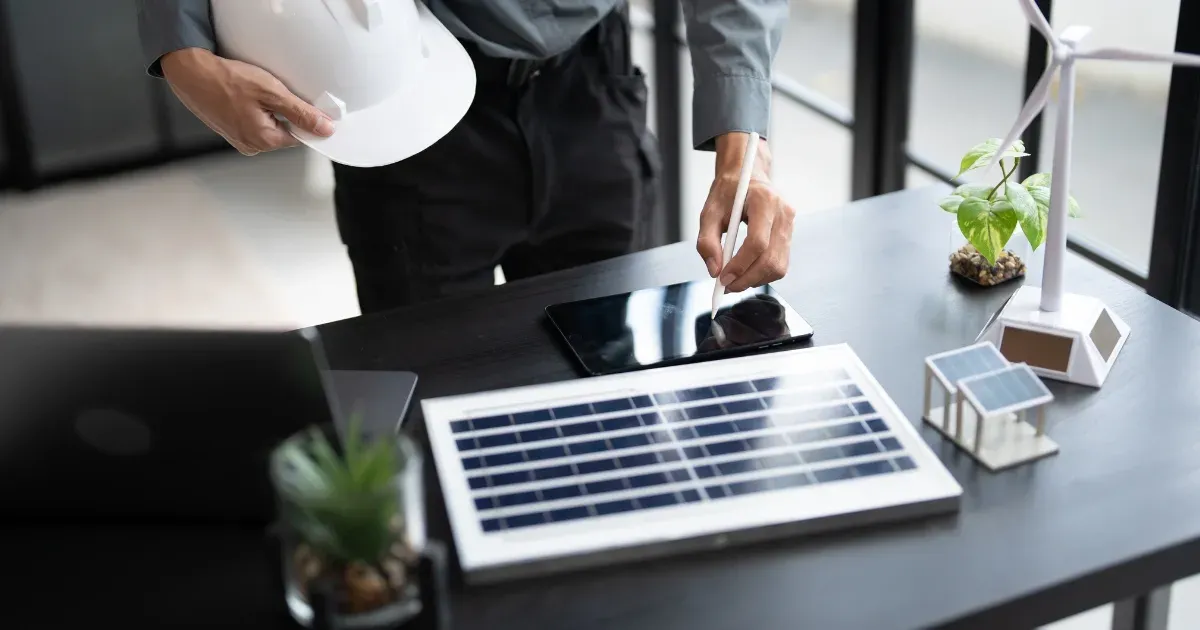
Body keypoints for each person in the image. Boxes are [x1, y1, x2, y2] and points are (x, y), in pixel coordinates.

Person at [137, 0, 794, 315]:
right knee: (434, 413)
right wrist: (184, 49)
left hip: (592, 91)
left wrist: (746, 147)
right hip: (407, 101)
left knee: (615, 391)